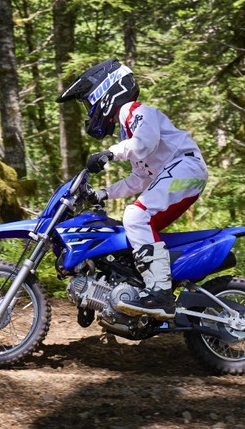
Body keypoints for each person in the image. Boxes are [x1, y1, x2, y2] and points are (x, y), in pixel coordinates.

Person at [56, 58, 208, 320]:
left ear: (105, 92)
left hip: (186, 168)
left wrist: (108, 154)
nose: (89, 109)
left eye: (89, 102)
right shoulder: (127, 131)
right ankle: (142, 287)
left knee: (136, 216)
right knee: (137, 226)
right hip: (181, 172)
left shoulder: (134, 111)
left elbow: (144, 143)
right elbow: (138, 179)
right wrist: (103, 193)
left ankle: (159, 293)